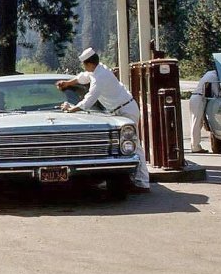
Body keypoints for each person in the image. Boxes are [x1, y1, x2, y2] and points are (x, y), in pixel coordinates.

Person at [55, 47, 150, 191]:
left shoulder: (99, 78)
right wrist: (68, 83)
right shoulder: (99, 70)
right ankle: (134, 179)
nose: (84, 67)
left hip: (125, 110)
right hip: (120, 109)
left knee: (134, 145)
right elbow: (84, 77)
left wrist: (71, 109)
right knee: (126, 145)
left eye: (84, 64)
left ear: (89, 64)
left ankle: (142, 183)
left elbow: (89, 100)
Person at [189, 69, 220, 153]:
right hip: (199, 98)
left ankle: (195, 145)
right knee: (196, 123)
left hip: (196, 97)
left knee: (196, 123)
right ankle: (195, 147)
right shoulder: (214, 77)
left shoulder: (209, 74)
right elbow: (216, 92)